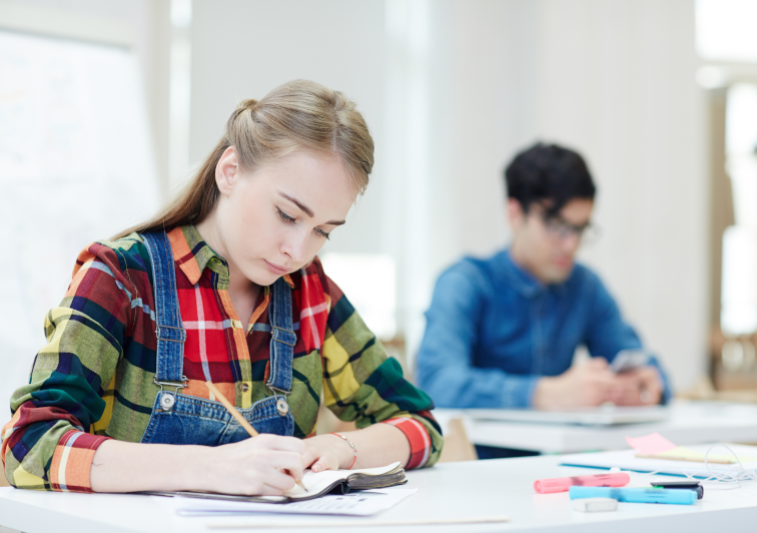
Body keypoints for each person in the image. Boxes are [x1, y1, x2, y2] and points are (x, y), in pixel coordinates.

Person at [1, 80, 441, 494]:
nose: (297, 249)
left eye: (323, 230)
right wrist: (212, 468)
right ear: (230, 171)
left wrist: (335, 449)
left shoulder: (311, 292)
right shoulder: (121, 275)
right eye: (287, 215)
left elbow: (420, 426)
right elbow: (28, 445)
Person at [416, 142, 670, 459]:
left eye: (580, 229)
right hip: (471, 471)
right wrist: (546, 394)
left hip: (557, 471)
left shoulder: (585, 286)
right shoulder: (465, 282)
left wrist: (647, 386)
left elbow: (643, 364)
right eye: (557, 226)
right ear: (514, 214)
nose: (571, 244)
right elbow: (437, 383)